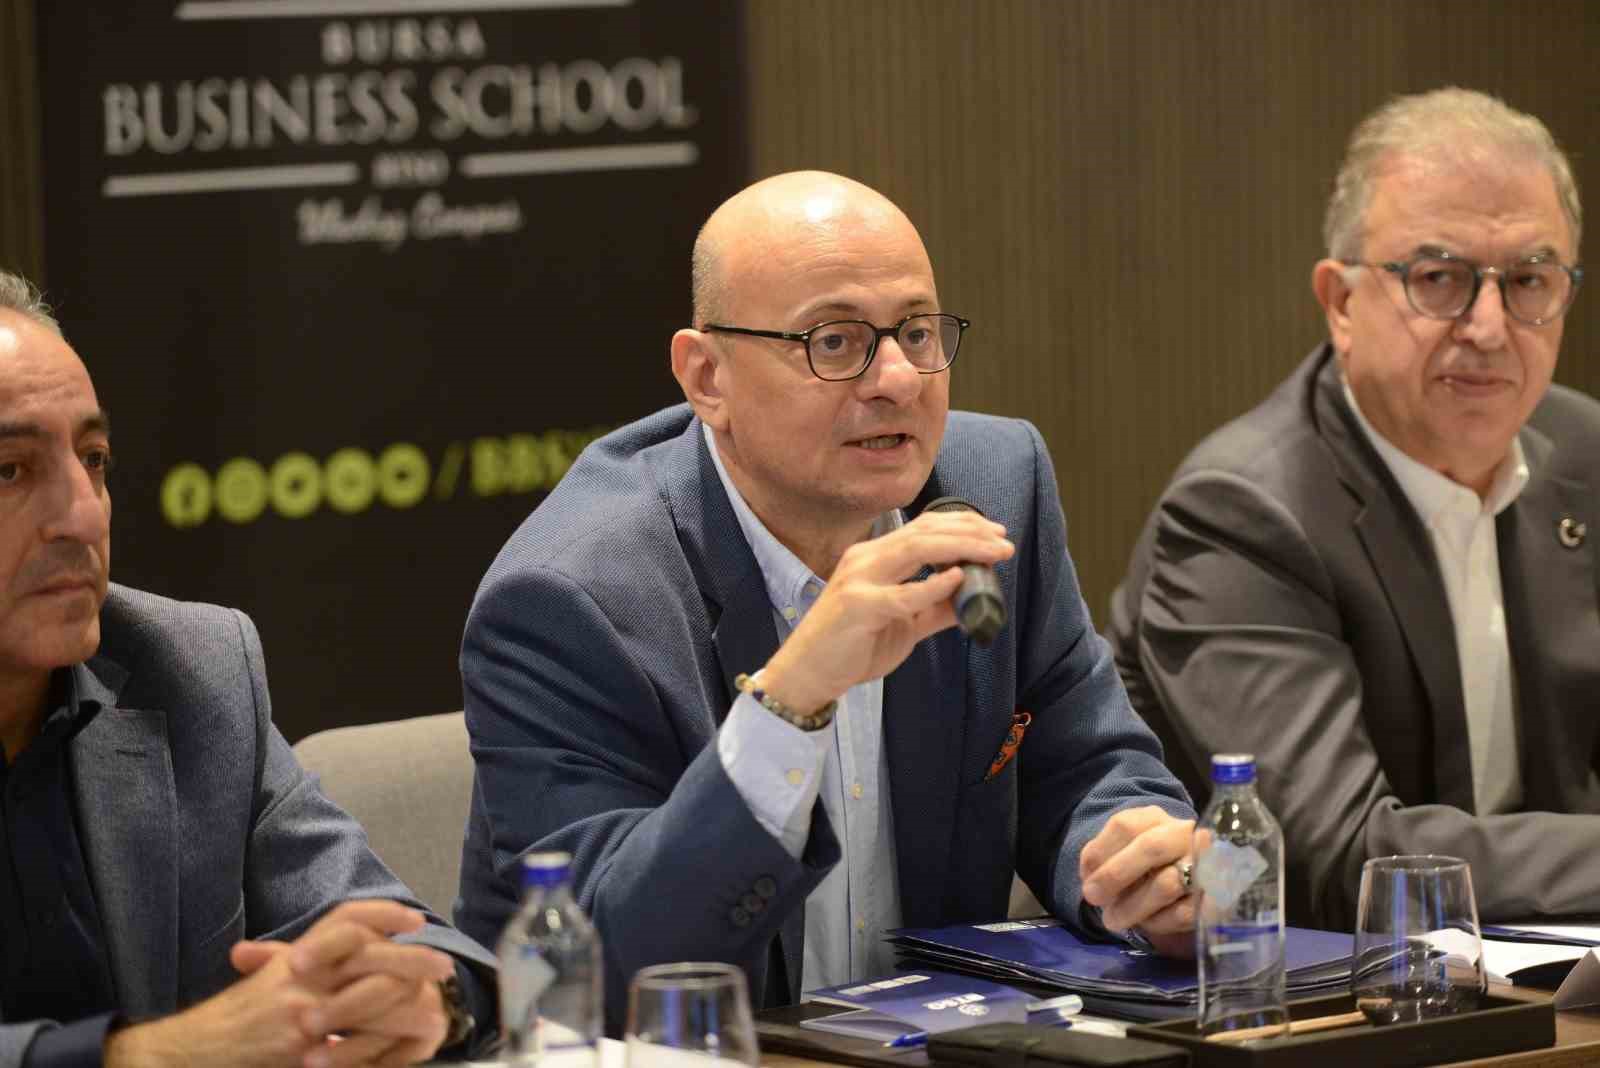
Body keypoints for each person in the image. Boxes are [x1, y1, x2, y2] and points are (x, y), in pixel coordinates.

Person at [456, 170, 1196, 1030]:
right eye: (835, 342)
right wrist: (792, 701)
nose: (899, 379)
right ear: (707, 377)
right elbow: (606, 967)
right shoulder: (573, 598)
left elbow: (1085, 767)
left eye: (916, 331)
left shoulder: (992, 489)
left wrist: (1143, 870)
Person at [1109, 87, 1596, 930]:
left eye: (1528, 280)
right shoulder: (1243, 513)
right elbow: (1335, 860)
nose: (1489, 327)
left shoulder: (1584, 455)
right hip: (1290, 992)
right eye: (1439, 279)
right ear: (1341, 302)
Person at [0, 270, 495, 1068]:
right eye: (11, 471)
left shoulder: (187, 669)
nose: (84, 516)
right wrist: (154, 1055)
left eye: (93, 460)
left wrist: (424, 998)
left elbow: (409, 938)